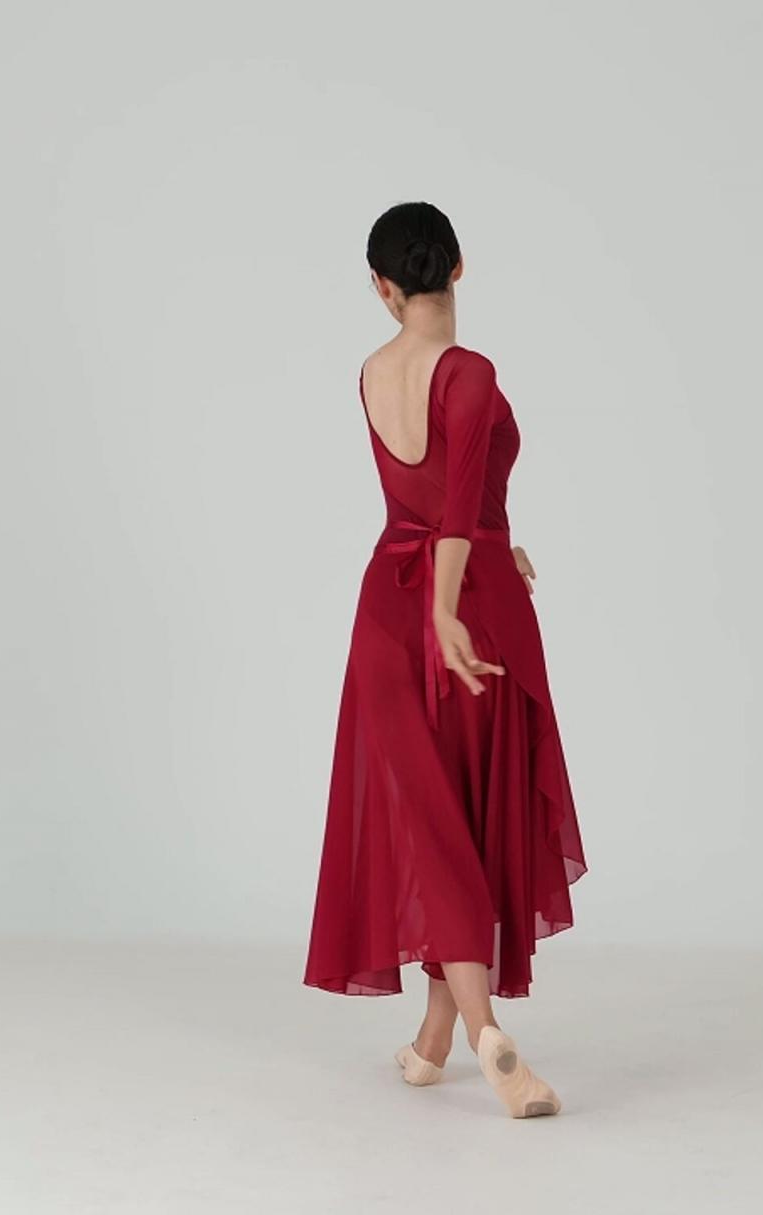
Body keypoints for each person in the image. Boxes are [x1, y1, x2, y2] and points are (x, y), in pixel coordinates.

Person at [303, 201, 589, 1119]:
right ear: (459, 267)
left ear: (381, 288)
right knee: (458, 828)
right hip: (461, 615)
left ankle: (432, 1042)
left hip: (385, 614)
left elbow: (436, 503)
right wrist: (449, 605)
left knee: (437, 821)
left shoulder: (370, 371)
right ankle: (487, 1032)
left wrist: (497, 548)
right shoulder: (468, 372)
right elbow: (457, 507)